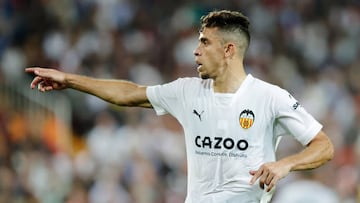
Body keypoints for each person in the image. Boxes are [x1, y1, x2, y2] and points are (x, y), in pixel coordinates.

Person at [25, 10, 334, 203]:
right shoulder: (187, 91)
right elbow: (129, 93)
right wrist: (69, 79)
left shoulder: (270, 97)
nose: (195, 51)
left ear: (229, 49)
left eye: (204, 43)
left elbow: (323, 145)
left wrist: (284, 165)